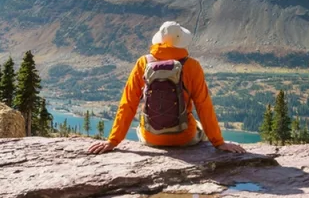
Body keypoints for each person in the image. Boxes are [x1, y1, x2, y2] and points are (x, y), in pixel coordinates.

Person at [88, 21, 246, 154]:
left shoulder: (143, 63)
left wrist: (113, 141)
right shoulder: (192, 66)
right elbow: (204, 105)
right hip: (185, 139)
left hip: (151, 139)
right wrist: (219, 143)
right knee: (197, 125)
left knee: (141, 127)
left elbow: (128, 103)